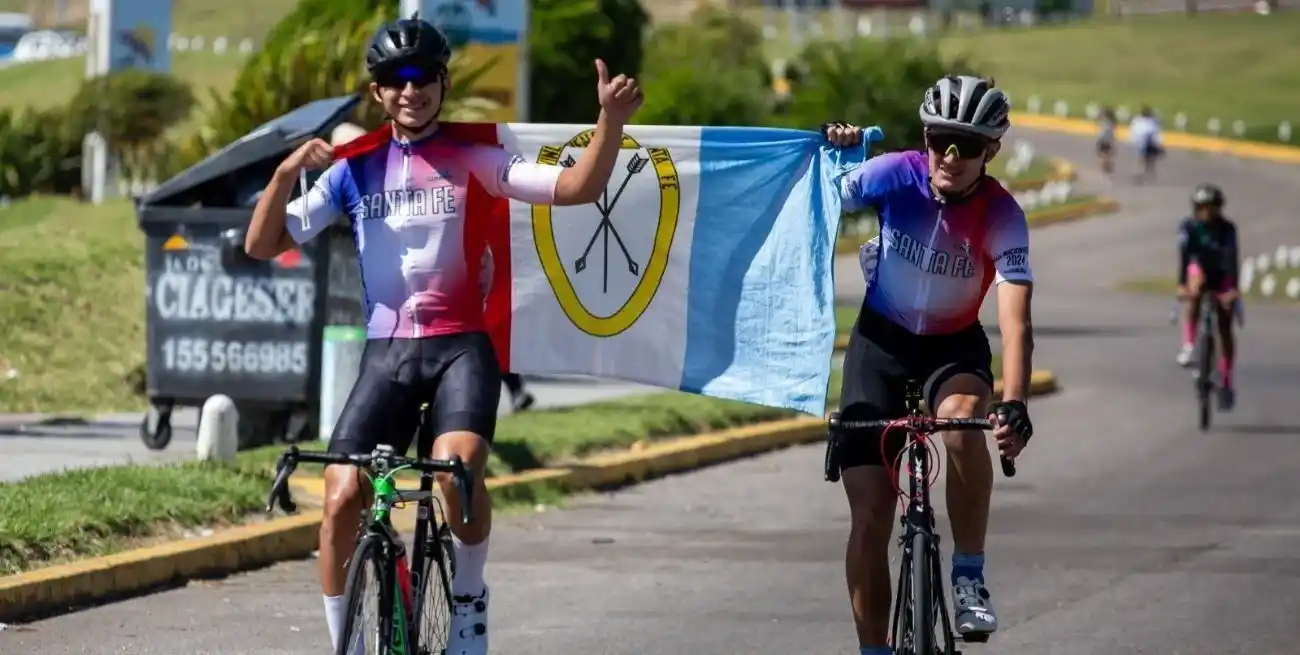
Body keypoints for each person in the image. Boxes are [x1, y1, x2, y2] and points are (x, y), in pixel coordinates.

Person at [243, 17, 643, 655]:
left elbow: (577, 187)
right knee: (342, 495)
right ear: (378, 93)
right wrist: (289, 169)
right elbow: (261, 243)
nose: (410, 90)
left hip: (461, 347)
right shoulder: (353, 168)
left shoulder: (473, 156)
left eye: (423, 76)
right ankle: (343, 642)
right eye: (395, 81)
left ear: (443, 82)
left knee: (457, 475)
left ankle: (469, 601)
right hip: (388, 353)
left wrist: (609, 121)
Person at [823, 74, 1036, 655]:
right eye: (941, 138)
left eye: (967, 145)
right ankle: (874, 650)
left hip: (953, 346)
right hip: (880, 342)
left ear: (991, 150)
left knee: (967, 423)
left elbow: (1015, 321)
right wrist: (839, 152)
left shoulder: (1002, 215)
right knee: (869, 515)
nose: (950, 155)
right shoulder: (897, 173)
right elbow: (826, 197)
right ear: (925, 136)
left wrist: (1014, 403)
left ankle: (969, 574)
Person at [1176, 183, 1240, 410]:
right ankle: (1190, 343)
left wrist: (1232, 289)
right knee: (1195, 290)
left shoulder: (1228, 229)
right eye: (1202, 208)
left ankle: (1225, 379)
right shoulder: (1188, 227)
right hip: (1199, 270)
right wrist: (1182, 284)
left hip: (1221, 273)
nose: (1207, 212)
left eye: (1212, 208)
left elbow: (1232, 258)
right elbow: (1184, 256)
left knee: (1225, 326)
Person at [1129, 106, 1164, 184]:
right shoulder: (1151, 122)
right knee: (1148, 161)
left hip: (1142, 143)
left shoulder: (1138, 121)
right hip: (1148, 143)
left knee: (1144, 160)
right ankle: (1148, 175)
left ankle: (1145, 175)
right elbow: (1156, 133)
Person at [1096, 107, 1117, 175]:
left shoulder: (1104, 122)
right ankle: (1108, 166)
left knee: (1103, 154)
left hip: (1103, 139)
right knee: (1108, 154)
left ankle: (1105, 167)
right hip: (1109, 140)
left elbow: (1102, 132)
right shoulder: (1112, 123)